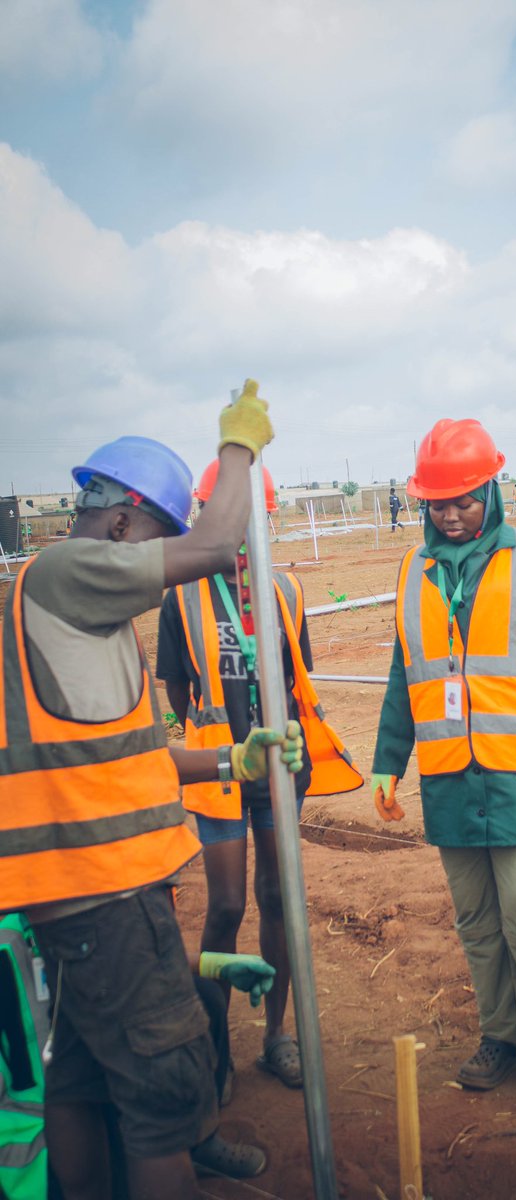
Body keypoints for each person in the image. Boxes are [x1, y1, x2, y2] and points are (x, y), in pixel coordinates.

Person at [0, 381, 304, 1200]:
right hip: (105, 895)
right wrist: (237, 446)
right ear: (125, 524)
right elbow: (214, 546)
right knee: (164, 1098)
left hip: (83, 900)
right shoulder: (63, 572)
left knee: (88, 1080)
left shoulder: (80, 623)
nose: (157, 567)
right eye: (154, 541)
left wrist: (230, 762)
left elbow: (126, 758)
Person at [371, 418, 516, 1102]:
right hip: (449, 782)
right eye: (438, 503)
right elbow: (401, 674)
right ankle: (500, 1035)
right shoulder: (414, 568)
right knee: (476, 920)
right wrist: (389, 761)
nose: (451, 513)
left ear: (490, 490)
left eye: (464, 499)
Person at [157, 460, 362, 1094]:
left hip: (279, 771)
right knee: (224, 906)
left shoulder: (285, 592)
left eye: (250, 517)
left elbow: (295, 678)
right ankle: (215, 1052)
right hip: (218, 775)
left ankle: (278, 1037)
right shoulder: (180, 597)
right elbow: (177, 689)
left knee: (278, 899)